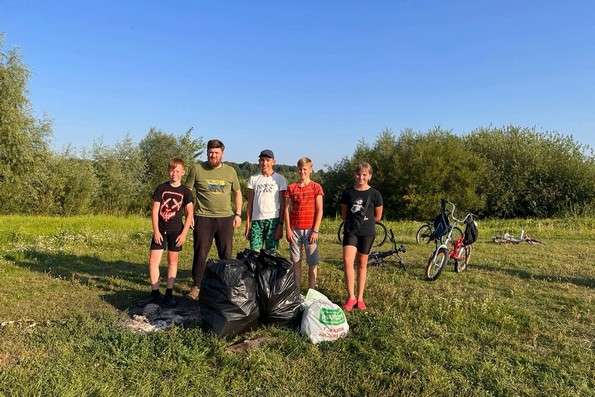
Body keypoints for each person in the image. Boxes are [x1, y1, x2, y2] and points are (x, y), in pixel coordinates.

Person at [184, 139, 243, 299]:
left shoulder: (230, 171)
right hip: (203, 217)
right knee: (200, 252)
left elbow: (237, 193)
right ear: (207, 152)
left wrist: (238, 214)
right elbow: (187, 193)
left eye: (216, 153)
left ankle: (226, 287)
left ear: (222, 153)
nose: (213, 155)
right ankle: (196, 286)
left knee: (226, 253)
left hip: (226, 218)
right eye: (210, 152)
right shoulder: (197, 169)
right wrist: (188, 215)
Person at [148, 158, 194, 306]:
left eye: (177, 171)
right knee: (153, 261)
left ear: (183, 172)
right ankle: (155, 292)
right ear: (168, 171)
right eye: (172, 170)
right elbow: (155, 211)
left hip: (176, 231)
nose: (174, 173)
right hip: (160, 230)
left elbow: (189, 214)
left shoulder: (186, 192)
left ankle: (169, 292)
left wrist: (184, 233)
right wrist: (156, 231)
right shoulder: (161, 188)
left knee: (172, 262)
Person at [340, 162, 383, 312]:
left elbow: (378, 216)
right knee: (347, 261)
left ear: (369, 176)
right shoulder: (348, 193)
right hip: (351, 231)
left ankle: (360, 298)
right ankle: (351, 297)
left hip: (367, 232)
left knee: (363, 264)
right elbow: (344, 214)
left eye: (364, 174)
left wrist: (365, 222)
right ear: (355, 175)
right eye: (359, 174)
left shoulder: (375, 194)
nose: (361, 177)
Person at [283, 157, 324, 289]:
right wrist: (287, 229)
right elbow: (287, 209)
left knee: (312, 262)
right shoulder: (291, 187)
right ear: (297, 170)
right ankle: (297, 290)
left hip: (310, 230)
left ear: (310, 170)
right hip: (295, 229)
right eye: (300, 169)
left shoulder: (316, 187)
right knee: (296, 261)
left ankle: (311, 290)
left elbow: (320, 210)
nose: (302, 172)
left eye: (305, 169)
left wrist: (315, 230)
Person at [245, 149, 287, 252]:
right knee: (254, 253)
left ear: (273, 162)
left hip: (273, 220)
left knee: (271, 255)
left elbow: (283, 204)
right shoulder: (253, 179)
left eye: (268, 160)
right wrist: (248, 224)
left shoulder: (280, 179)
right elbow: (250, 203)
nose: (264, 163)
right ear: (259, 161)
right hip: (256, 221)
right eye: (262, 160)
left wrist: (280, 225)